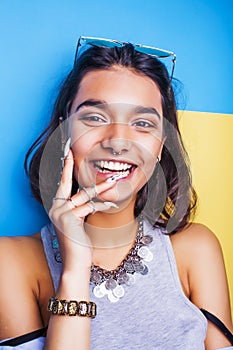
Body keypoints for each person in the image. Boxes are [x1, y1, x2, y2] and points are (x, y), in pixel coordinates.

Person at [0, 36, 232, 350]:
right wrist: (74, 268)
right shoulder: (10, 262)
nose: (118, 141)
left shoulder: (195, 249)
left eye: (142, 123)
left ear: (162, 146)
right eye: (95, 117)